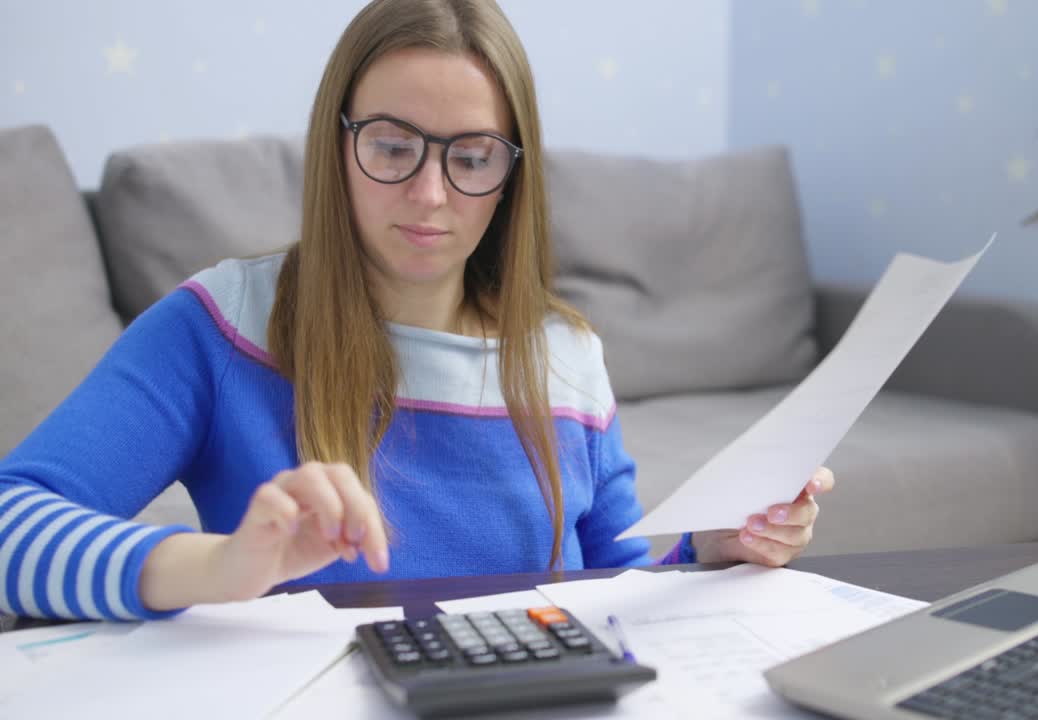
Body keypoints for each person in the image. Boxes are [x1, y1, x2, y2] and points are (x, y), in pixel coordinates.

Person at [0, 0, 834, 622]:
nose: (431, 195)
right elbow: (12, 524)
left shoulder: (564, 356)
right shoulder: (220, 325)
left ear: (512, 176)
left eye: (472, 157)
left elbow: (614, 592)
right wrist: (217, 569)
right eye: (394, 147)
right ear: (338, 144)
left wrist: (711, 550)